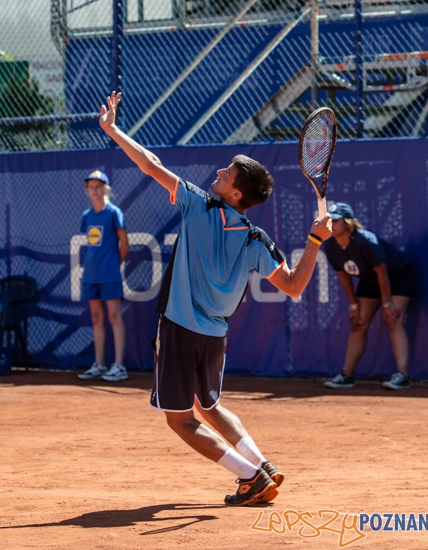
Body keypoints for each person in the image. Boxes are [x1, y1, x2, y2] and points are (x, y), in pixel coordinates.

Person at [99, 90, 332, 506]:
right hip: (213, 338)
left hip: (179, 329)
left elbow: (150, 165)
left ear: (236, 194)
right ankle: (262, 464)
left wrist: (113, 130)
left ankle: (249, 477)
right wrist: (315, 239)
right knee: (209, 407)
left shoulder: (199, 205)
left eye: (228, 173)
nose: (220, 171)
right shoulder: (256, 239)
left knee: (180, 421)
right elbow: (295, 285)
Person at [322, 202, 417, 392]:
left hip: (398, 275)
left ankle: (402, 376)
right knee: (359, 322)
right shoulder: (331, 246)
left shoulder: (365, 241)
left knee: (392, 320)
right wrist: (353, 305)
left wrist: (387, 304)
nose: (330, 225)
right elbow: (344, 276)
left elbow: (382, 273)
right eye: (328, 221)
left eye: (335, 220)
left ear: (347, 222)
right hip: (371, 279)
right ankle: (347, 376)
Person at [77, 170, 130, 382]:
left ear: (105, 189)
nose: (94, 190)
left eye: (98, 187)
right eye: (91, 187)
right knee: (96, 318)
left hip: (110, 274)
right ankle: (99, 365)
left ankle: (119, 366)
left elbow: (125, 244)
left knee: (114, 317)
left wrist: (114, 265)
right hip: (90, 275)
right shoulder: (86, 216)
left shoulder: (114, 213)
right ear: (87, 190)